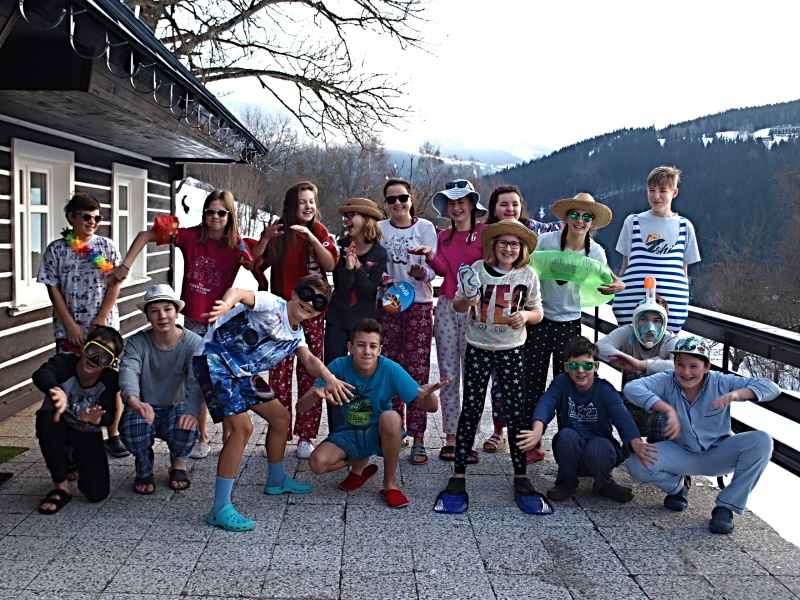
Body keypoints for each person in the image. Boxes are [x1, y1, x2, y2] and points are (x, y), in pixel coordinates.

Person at [194, 275, 352, 531]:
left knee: (281, 418)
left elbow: (309, 360)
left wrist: (330, 378)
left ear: (320, 312)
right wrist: (227, 304)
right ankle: (219, 508)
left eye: (319, 302)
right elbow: (239, 292)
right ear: (294, 293)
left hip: (243, 372)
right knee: (243, 429)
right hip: (213, 360)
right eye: (306, 294)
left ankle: (276, 480)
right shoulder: (271, 304)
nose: (309, 303)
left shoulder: (297, 335)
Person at [111, 189, 255, 460]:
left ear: (230, 216)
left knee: (225, 378)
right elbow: (145, 235)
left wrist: (264, 245)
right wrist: (126, 266)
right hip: (193, 320)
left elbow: (259, 262)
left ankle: (230, 436)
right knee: (198, 377)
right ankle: (201, 435)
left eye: (221, 212)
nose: (215, 217)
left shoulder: (238, 244)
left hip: (221, 321)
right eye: (210, 211)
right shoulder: (190, 236)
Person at [624, 336, 780, 534]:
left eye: (693, 366)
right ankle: (677, 486)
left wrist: (737, 394)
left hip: (719, 452)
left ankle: (726, 507)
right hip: (679, 451)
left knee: (762, 441)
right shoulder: (667, 379)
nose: (686, 372)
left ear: (707, 367)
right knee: (636, 464)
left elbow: (771, 388)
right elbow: (632, 388)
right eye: (680, 365)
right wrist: (666, 408)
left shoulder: (721, 381)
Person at [438, 220, 543, 508]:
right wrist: (468, 300)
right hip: (478, 347)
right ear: (493, 246)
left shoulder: (527, 274)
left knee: (516, 409)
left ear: (521, 249)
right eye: (502, 243)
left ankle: (520, 473)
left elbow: (537, 310)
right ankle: (459, 472)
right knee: (471, 409)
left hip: (511, 349)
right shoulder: (476, 271)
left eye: (514, 244)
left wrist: (526, 317)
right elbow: (458, 304)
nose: (508, 249)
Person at [301, 319, 447, 507]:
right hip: (350, 432)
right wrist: (315, 394)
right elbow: (300, 408)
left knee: (391, 417)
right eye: (361, 345)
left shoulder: (390, 369)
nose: (367, 351)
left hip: (380, 432)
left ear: (380, 350)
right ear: (350, 347)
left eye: (372, 346)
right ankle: (359, 460)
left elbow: (431, 407)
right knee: (317, 463)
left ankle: (390, 484)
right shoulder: (338, 366)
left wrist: (429, 395)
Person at [525, 193, 623, 460]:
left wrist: (619, 284)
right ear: (566, 217)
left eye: (587, 216)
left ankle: (568, 446)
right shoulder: (546, 241)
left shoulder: (596, 252)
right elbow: (527, 267)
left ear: (592, 222)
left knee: (569, 386)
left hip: (570, 323)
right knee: (532, 383)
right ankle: (532, 443)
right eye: (575, 214)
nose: (580, 220)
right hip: (540, 319)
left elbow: (608, 278)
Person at [37, 192, 127, 459]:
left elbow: (114, 283)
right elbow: (53, 288)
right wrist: (70, 325)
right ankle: (71, 436)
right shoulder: (56, 249)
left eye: (97, 218)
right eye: (87, 217)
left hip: (102, 326)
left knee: (108, 378)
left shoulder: (105, 246)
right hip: (70, 327)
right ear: (71, 217)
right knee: (71, 378)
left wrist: (102, 317)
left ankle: (113, 433)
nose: (92, 222)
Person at [253, 182, 339, 459]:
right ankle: (280, 431)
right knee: (279, 375)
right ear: (291, 205)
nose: (308, 206)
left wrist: (312, 238)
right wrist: (265, 238)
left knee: (309, 373)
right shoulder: (279, 231)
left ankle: (306, 435)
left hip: (313, 313)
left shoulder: (319, 231)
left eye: (311, 201)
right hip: (282, 312)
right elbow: (255, 262)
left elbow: (330, 265)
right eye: (302, 201)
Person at [518, 336, 653, 503]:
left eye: (587, 365)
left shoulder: (605, 389)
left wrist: (636, 442)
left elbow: (622, 418)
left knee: (598, 445)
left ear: (596, 366)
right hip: (571, 452)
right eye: (574, 365)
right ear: (566, 367)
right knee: (565, 436)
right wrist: (537, 430)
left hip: (600, 454)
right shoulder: (562, 382)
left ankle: (604, 483)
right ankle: (566, 482)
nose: (580, 371)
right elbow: (546, 403)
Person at [480, 184, 563, 455]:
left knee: (525, 380)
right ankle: (498, 431)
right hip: (494, 319)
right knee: (497, 379)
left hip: (529, 313)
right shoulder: (487, 234)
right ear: (494, 208)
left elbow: (564, 229)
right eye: (503, 204)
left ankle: (528, 436)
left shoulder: (533, 229)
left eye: (515, 203)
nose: (510, 209)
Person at [408, 179, 487, 462]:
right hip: (445, 305)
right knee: (448, 375)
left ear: (472, 205)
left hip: (475, 309)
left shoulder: (485, 234)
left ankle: (469, 437)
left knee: (473, 376)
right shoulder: (443, 236)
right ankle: (451, 437)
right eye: (451, 203)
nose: (456, 207)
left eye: (461, 202)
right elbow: (443, 270)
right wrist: (429, 256)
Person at [118, 285, 204, 494]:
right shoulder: (137, 342)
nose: (162, 316)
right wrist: (134, 400)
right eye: (154, 311)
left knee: (186, 425)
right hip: (144, 405)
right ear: (147, 316)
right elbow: (128, 370)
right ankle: (144, 465)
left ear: (177, 312)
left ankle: (178, 463)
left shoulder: (193, 342)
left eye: (167, 309)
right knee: (132, 429)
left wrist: (193, 411)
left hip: (176, 405)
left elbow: (196, 381)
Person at [377, 178, 437, 465]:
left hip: (420, 305)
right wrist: (382, 278)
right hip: (389, 305)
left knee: (417, 369)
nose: (398, 203)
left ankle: (419, 436)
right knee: (390, 366)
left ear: (412, 199)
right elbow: (372, 264)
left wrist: (420, 273)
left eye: (402, 198)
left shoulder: (425, 228)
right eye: (391, 199)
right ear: (385, 204)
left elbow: (434, 270)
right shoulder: (379, 228)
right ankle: (396, 430)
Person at [33, 326, 124, 514]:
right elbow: (42, 374)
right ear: (83, 346)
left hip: (85, 431)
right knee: (47, 417)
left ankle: (71, 457)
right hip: (60, 427)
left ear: (110, 363)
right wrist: (55, 390)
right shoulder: (65, 361)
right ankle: (61, 487)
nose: (95, 359)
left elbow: (109, 417)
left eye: (104, 357)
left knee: (97, 493)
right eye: (93, 349)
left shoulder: (109, 379)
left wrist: (95, 420)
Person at [324, 198, 388, 431]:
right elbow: (341, 288)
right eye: (345, 215)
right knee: (334, 376)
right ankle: (337, 432)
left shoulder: (379, 253)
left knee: (363, 378)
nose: (346, 220)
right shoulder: (339, 247)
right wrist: (348, 266)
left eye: (352, 215)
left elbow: (369, 293)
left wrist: (359, 268)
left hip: (364, 325)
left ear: (367, 220)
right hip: (337, 321)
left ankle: (362, 430)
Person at [612, 166, 701, 333]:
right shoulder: (632, 222)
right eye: (651, 190)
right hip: (630, 311)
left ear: (674, 193)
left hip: (670, 315)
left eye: (662, 191)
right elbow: (625, 267)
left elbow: (683, 273)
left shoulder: (685, 227)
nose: (656, 196)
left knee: (665, 350)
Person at [597, 291, 678, 440]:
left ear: (664, 322)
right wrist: (629, 360)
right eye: (644, 319)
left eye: (657, 320)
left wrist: (641, 365)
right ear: (635, 319)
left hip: (657, 405)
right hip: (631, 402)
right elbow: (599, 347)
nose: (650, 326)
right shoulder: (629, 332)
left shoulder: (669, 341)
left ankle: (658, 450)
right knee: (603, 400)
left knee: (664, 420)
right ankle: (620, 446)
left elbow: (678, 366)